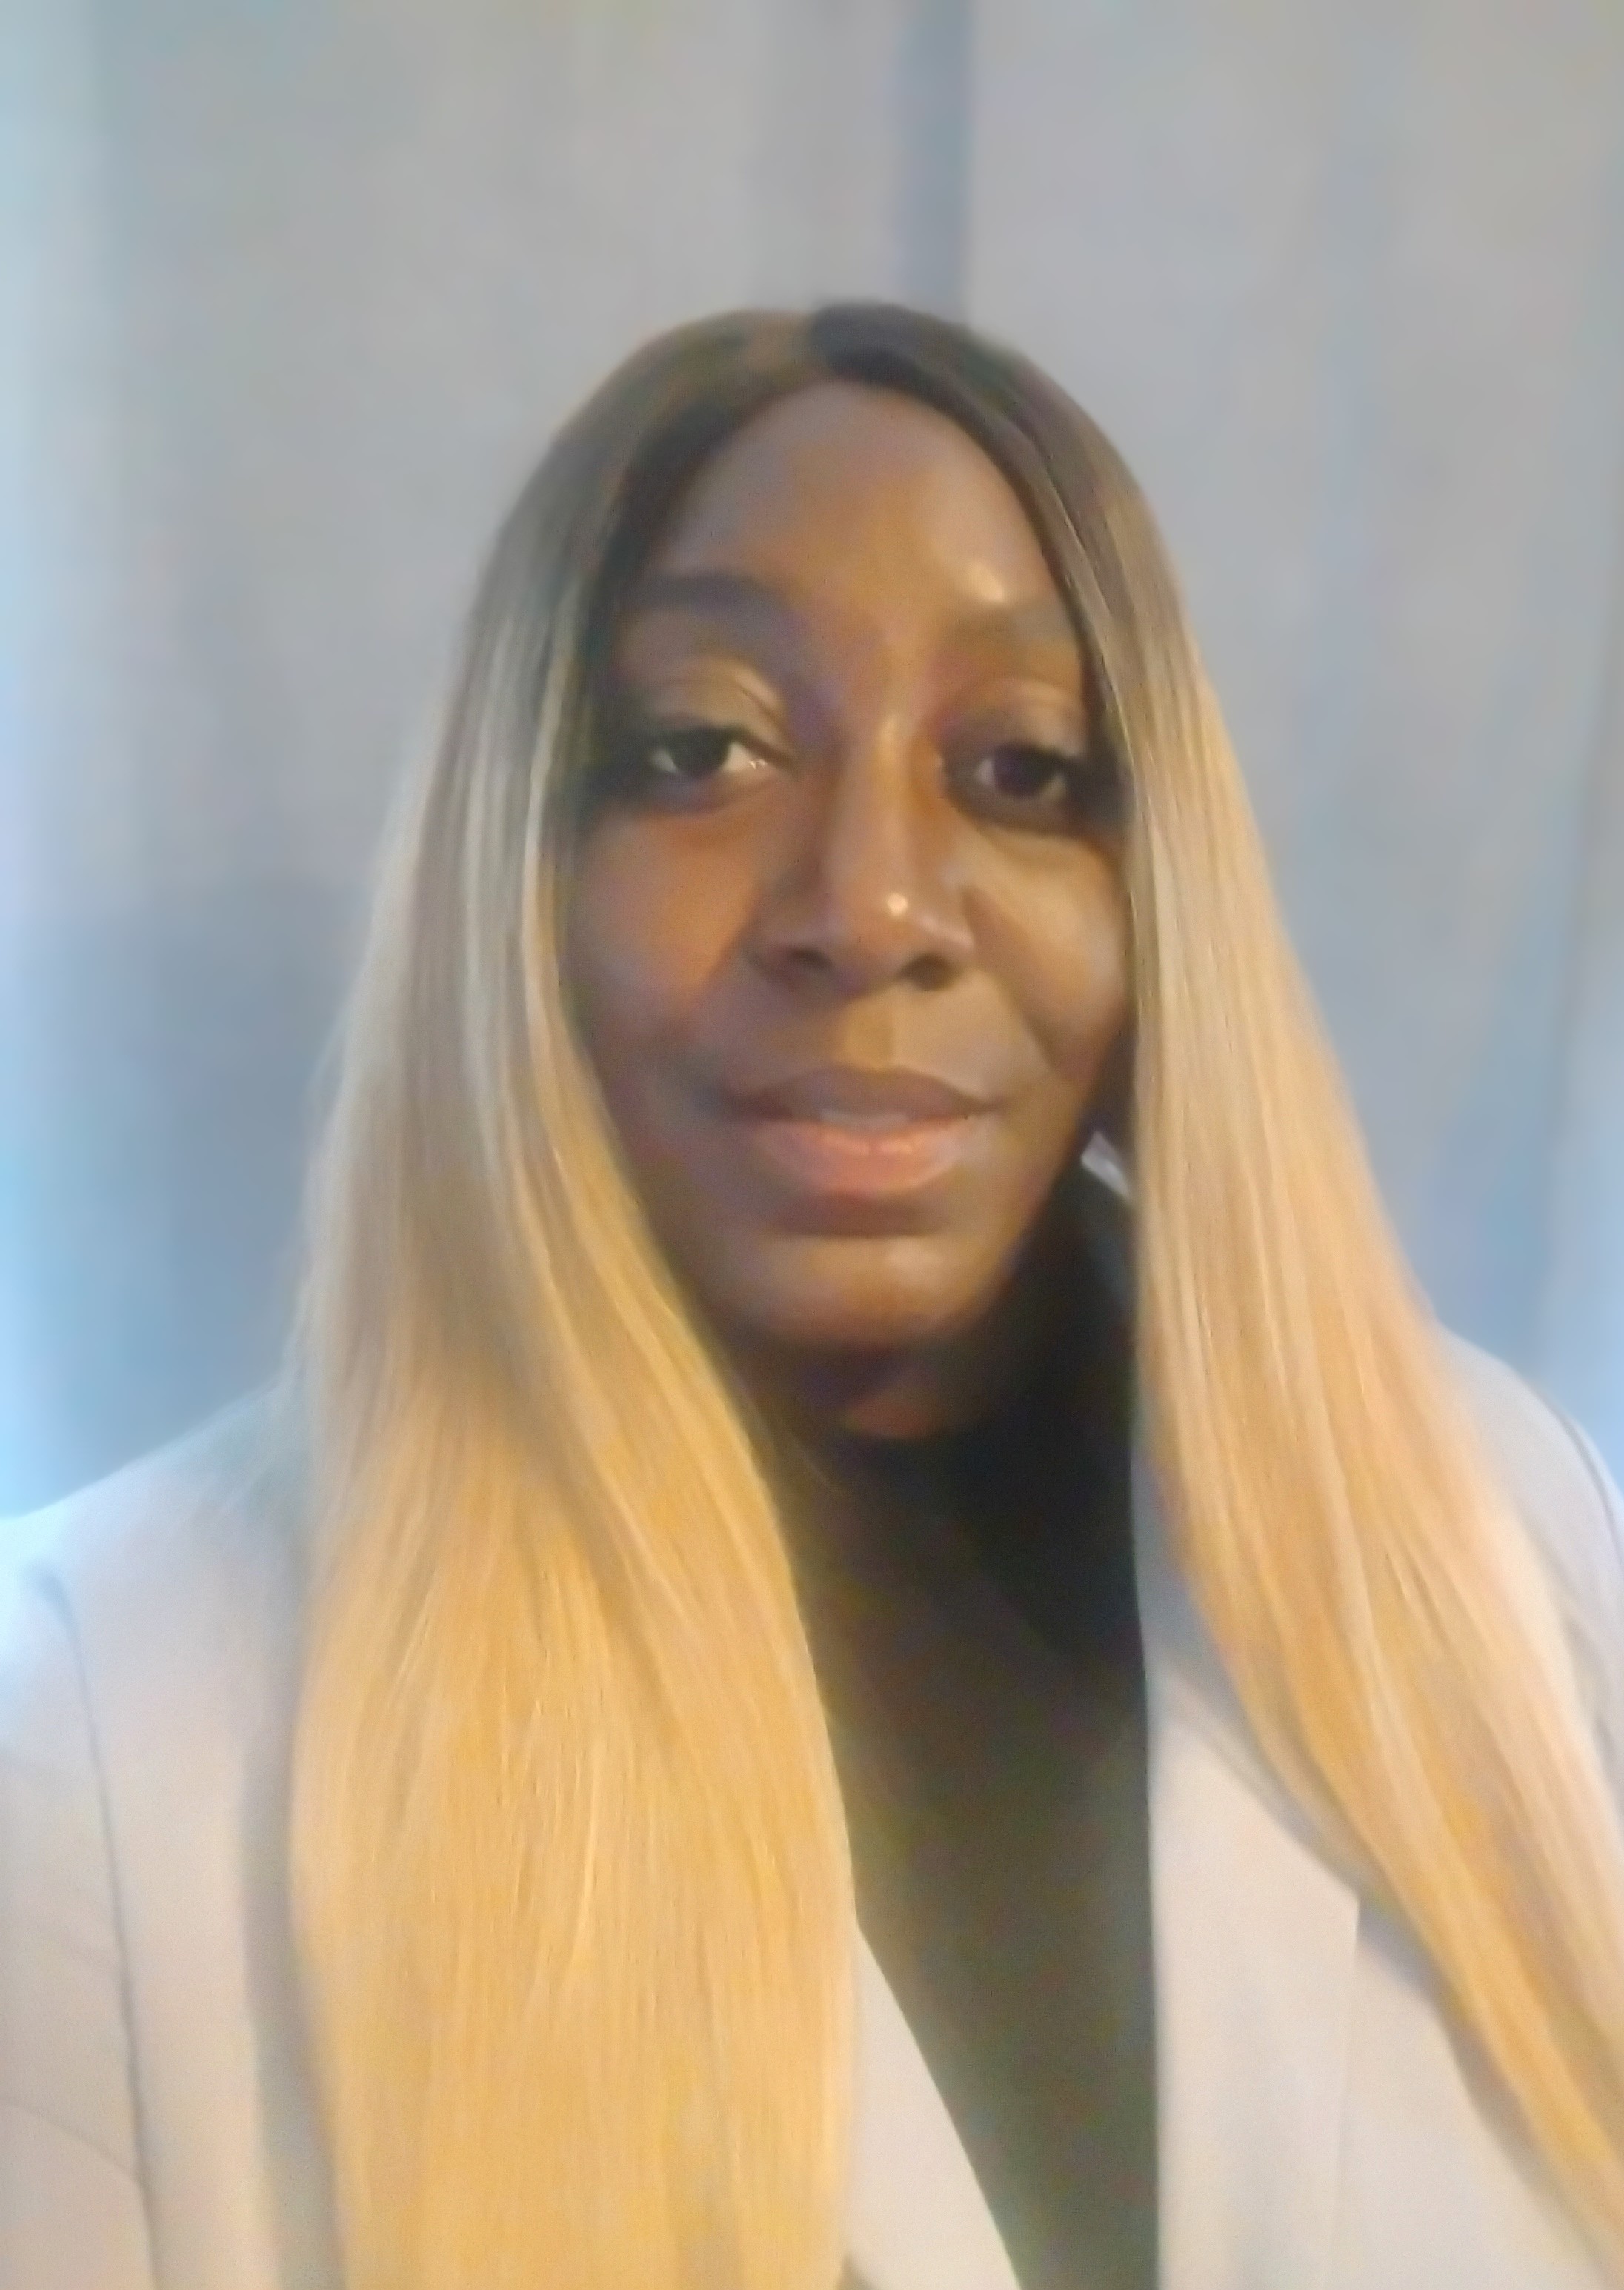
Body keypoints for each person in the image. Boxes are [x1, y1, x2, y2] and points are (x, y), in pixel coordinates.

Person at [4, 304, 1623, 2290]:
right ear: (517, 863)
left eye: (1019, 768)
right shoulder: (88, 1722)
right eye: (702, 750)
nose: (870, 908)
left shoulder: (1514, 1544)